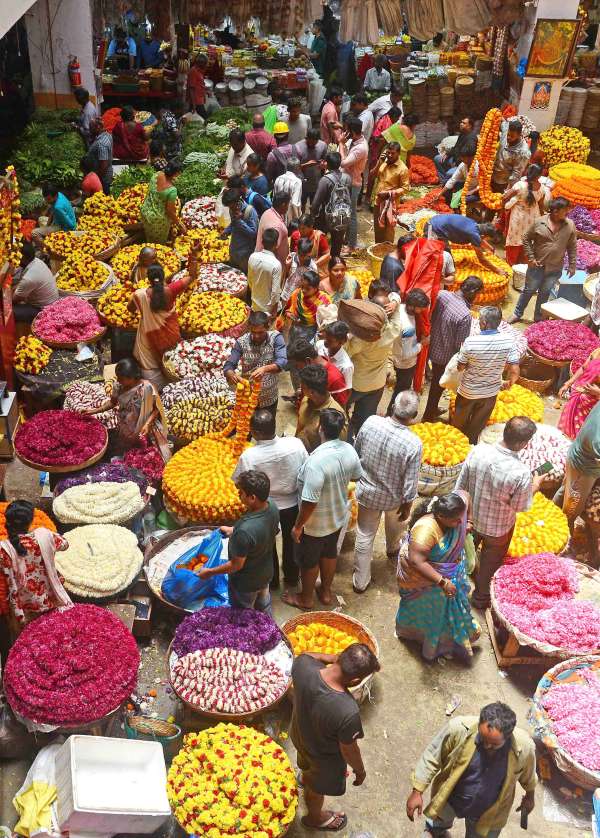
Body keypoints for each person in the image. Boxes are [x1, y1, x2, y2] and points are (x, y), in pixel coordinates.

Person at [407, 702, 536, 837]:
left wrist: (530, 796)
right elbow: (432, 756)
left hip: (488, 811)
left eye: (493, 745)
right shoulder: (458, 729)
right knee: (434, 828)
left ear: (508, 736)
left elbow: (529, 777)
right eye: (482, 738)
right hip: (451, 799)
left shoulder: (525, 748)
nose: (486, 746)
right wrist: (417, 791)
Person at [290, 644, 380, 832]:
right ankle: (314, 817)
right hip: (322, 757)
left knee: (305, 762)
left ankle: (306, 775)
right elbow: (349, 749)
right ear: (355, 680)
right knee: (317, 787)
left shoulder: (302, 665)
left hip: (299, 734)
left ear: (338, 657)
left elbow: (307, 655)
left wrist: (331, 658)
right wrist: (360, 770)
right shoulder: (347, 711)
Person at [456, 417, 536, 610]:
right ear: (523, 444)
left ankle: (456, 588)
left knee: (463, 554)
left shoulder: (478, 451)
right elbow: (520, 506)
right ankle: (480, 599)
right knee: (490, 563)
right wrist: (536, 485)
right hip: (497, 529)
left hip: (470, 520)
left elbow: (461, 486)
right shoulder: (521, 472)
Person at [284, 408, 361, 608]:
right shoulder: (349, 450)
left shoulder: (315, 463)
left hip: (315, 525)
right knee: (329, 555)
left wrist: (298, 526)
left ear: (320, 428)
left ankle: (306, 598)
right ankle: (325, 593)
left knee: (309, 562)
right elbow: (356, 476)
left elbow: (310, 501)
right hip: (337, 517)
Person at [396, 491, 480, 660]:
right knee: (432, 610)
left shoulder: (457, 510)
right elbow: (417, 561)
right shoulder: (425, 531)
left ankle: (449, 639)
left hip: (449, 570)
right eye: (456, 520)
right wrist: (442, 582)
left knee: (447, 608)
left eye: (461, 518)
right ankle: (425, 639)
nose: (459, 523)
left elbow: (466, 495)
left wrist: (468, 520)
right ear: (440, 516)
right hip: (424, 580)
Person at [353, 391, 422, 593]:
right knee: (396, 527)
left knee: (364, 536)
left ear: (392, 406)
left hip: (367, 493)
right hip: (394, 498)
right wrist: (408, 505)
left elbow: (357, 452)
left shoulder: (371, 422)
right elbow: (411, 482)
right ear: (415, 415)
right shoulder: (413, 443)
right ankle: (393, 549)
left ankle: (360, 582)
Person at [233, 410, 307, 590]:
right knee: (292, 542)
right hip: (293, 503)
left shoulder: (250, 456)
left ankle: (272, 580)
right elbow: (307, 470)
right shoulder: (295, 444)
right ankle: (291, 576)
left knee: (266, 545)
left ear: (256, 433)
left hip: (265, 506)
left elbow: (239, 481)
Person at [200, 470, 279, 614]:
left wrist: (210, 572)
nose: (238, 495)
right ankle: (269, 627)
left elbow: (236, 565)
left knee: (243, 615)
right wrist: (233, 530)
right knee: (264, 605)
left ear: (252, 497)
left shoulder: (244, 531)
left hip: (246, 584)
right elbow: (264, 532)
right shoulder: (272, 506)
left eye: (241, 493)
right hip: (265, 574)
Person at [0, 500, 71, 635]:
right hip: (49, 598)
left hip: (25, 606)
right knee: (52, 633)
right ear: (30, 520)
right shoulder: (44, 535)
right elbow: (65, 544)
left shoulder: (4, 549)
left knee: (34, 637)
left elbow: (8, 581)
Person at [452, 306, 521, 444]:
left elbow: (460, 367)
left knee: (459, 422)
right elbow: (514, 369)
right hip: (490, 392)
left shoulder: (471, 342)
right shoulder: (509, 341)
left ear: (483, 323)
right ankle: (471, 444)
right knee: (478, 424)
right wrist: (510, 382)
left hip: (469, 391)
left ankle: (457, 444)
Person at [422, 276, 484, 422]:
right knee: (437, 387)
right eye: (477, 294)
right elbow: (460, 345)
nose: (476, 298)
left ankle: (432, 409)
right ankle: (428, 415)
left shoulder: (442, 295)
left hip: (430, 345)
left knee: (436, 385)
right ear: (472, 292)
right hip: (444, 356)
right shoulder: (464, 315)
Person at [508, 197, 577, 324]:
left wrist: (572, 265)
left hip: (555, 267)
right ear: (555, 211)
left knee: (545, 293)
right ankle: (517, 313)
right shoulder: (539, 223)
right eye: (565, 209)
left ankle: (538, 318)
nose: (567, 211)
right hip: (537, 266)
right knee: (529, 290)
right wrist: (531, 257)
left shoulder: (570, 225)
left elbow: (572, 246)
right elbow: (526, 238)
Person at [129, 260, 194, 389]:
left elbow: (130, 309)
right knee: (173, 365)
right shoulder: (172, 289)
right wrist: (194, 257)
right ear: (163, 276)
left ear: (148, 278)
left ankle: (158, 395)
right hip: (170, 338)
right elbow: (192, 276)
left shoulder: (139, 294)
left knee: (151, 368)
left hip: (148, 340)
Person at [86, 357, 169, 457]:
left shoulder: (147, 388)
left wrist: (147, 424)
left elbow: (157, 409)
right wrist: (94, 411)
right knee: (128, 456)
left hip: (144, 430)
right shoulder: (118, 387)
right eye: (117, 377)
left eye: (121, 378)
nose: (118, 380)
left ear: (132, 377)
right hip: (125, 429)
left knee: (147, 455)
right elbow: (112, 403)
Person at [346, 292, 402, 439]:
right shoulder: (393, 329)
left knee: (343, 414)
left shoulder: (363, 338)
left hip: (356, 384)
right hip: (377, 384)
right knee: (364, 421)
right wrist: (394, 302)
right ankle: (361, 444)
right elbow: (396, 296)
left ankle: (347, 439)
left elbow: (345, 352)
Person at [223, 310, 287, 414]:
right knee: (247, 426)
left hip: (269, 397)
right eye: (253, 332)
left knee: (267, 426)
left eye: (260, 332)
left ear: (268, 327)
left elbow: (282, 361)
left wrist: (265, 369)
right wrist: (230, 373)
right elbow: (229, 364)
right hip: (248, 397)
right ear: (249, 328)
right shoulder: (241, 342)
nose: (256, 336)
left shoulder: (276, 338)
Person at [555, 401, 600, 525]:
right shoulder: (598, 440)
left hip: (577, 456)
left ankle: (552, 512)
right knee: (573, 502)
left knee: (566, 490)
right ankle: (564, 526)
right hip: (583, 468)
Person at [427, 215, 507, 277]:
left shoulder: (474, 224)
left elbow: (479, 239)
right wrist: (497, 270)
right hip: (433, 229)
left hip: (435, 221)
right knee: (446, 258)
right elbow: (482, 259)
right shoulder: (474, 234)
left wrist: (490, 248)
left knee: (447, 257)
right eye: (486, 238)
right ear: (483, 235)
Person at [388, 288, 430, 406]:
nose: (422, 310)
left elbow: (393, 294)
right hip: (405, 364)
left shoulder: (399, 308)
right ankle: (392, 413)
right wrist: (422, 344)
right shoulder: (408, 328)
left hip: (395, 353)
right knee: (400, 392)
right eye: (421, 308)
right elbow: (406, 354)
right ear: (412, 306)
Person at [295, 366, 347, 454]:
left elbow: (334, 452)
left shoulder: (335, 418)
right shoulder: (305, 400)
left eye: (302, 387)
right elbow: (299, 429)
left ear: (312, 392)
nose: (300, 389)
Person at [502, 163, 546, 266]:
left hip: (518, 217)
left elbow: (505, 198)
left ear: (528, 172)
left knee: (514, 239)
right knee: (528, 240)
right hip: (533, 217)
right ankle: (523, 264)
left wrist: (503, 209)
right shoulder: (542, 188)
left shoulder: (520, 185)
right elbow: (541, 206)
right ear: (539, 176)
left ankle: (512, 264)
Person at [311, 151, 352, 258]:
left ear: (327, 164)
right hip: (342, 216)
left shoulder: (325, 180)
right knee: (337, 246)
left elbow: (316, 203)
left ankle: (320, 262)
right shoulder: (347, 178)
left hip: (326, 217)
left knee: (318, 240)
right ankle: (334, 264)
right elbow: (349, 198)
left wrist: (313, 216)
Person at [287, 337, 350, 407]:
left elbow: (338, 412)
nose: (298, 368)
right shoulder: (309, 371)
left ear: (308, 361)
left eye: (297, 365)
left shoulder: (335, 381)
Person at [280, 269, 331, 353]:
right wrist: (289, 314)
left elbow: (327, 322)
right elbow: (288, 308)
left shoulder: (323, 300)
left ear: (316, 288)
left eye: (308, 288)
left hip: (311, 334)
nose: (303, 290)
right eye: (302, 287)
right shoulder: (297, 293)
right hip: (294, 331)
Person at [339, 117, 368, 254]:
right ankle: (348, 239)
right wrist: (344, 144)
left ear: (352, 131)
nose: (345, 132)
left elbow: (344, 163)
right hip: (350, 180)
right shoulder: (356, 141)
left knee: (351, 215)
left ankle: (351, 246)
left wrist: (340, 144)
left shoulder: (360, 148)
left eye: (347, 130)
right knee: (348, 212)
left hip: (353, 183)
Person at [9, 241, 59, 322]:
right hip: (50, 302)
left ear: (23, 258)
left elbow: (13, 300)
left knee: (7, 312)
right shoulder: (36, 261)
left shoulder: (29, 278)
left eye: (16, 256)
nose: (14, 258)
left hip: (43, 311)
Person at [370, 141, 410, 243]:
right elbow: (372, 175)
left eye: (393, 153)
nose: (390, 155)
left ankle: (387, 252)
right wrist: (379, 161)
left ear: (398, 153)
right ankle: (378, 249)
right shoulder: (383, 162)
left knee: (388, 231)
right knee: (378, 228)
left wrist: (389, 193)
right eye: (388, 152)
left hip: (391, 205)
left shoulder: (403, 169)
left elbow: (405, 188)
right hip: (378, 201)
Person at [140, 160, 185, 245]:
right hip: (158, 220)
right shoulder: (172, 190)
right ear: (176, 173)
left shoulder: (156, 175)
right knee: (158, 245)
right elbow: (170, 211)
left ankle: (147, 253)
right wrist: (179, 224)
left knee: (149, 239)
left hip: (146, 214)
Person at [558, 347, 600, 438]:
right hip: (578, 392)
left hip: (593, 403)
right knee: (566, 429)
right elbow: (583, 368)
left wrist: (598, 392)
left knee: (586, 434)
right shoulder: (597, 351)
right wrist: (568, 383)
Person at [221, 187, 258, 273]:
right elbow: (233, 224)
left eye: (231, 205)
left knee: (244, 277)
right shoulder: (231, 209)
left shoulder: (250, 211)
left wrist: (240, 221)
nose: (230, 208)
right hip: (234, 250)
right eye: (228, 206)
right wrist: (226, 231)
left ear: (237, 201)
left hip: (245, 254)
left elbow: (253, 233)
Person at [247, 227, 282, 315]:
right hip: (268, 309)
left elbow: (250, 281)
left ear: (262, 242)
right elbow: (275, 292)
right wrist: (273, 310)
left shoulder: (252, 257)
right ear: (276, 244)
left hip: (254, 304)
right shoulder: (276, 264)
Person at [434, 116, 476, 184]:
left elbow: (470, 152)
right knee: (437, 158)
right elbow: (456, 147)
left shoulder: (471, 138)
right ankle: (444, 182)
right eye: (461, 122)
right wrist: (448, 153)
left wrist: (457, 160)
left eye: (464, 123)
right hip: (454, 160)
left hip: (462, 164)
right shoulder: (463, 134)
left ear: (469, 126)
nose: (461, 124)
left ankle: (448, 183)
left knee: (449, 174)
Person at [31, 183, 76, 248]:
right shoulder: (59, 194)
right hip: (59, 221)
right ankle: (45, 238)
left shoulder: (58, 207)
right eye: (45, 199)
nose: (46, 201)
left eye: (48, 199)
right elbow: (52, 211)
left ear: (54, 196)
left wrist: (59, 237)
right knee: (41, 219)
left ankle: (47, 250)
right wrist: (47, 226)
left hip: (65, 228)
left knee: (34, 233)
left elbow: (70, 225)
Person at [492, 119, 531, 192]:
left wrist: (508, 190)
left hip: (504, 183)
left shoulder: (523, 152)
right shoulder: (506, 129)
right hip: (491, 175)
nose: (508, 137)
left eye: (512, 136)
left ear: (520, 135)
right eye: (508, 134)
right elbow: (503, 122)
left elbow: (516, 173)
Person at [294, 129, 328, 211]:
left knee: (314, 206)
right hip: (301, 183)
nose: (312, 144)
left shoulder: (322, 145)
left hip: (316, 182)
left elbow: (325, 161)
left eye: (315, 142)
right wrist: (306, 165)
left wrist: (323, 165)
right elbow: (294, 168)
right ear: (306, 138)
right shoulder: (298, 147)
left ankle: (312, 222)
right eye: (310, 142)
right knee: (301, 205)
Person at [316, 321, 354, 394]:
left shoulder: (346, 366)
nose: (325, 342)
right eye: (325, 338)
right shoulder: (319, 345)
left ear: (341, 342)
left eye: (330, 340)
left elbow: (346, 391)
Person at [256, 191, 291, 270]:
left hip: (262, 262)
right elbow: (272, 249)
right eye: (288, 204)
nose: (288, 207)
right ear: (283, 204)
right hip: (272, 267)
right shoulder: (277, 225)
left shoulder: (267, 212)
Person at [282, 237, 318, 308]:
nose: (302, 258)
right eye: (300, 255)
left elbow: (311, 286)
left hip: (299, 298)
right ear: (297, 250)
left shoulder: (312, 267)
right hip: (287, 294)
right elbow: (285, 275)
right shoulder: (291, 257)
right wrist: (287, 266)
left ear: (310, 253)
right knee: (284, 313)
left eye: (305, 256)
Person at [87, 117, 114, 194]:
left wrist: (96, 178)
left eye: (91, 128)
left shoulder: (102, 143)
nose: (89, 130)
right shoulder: (107, 135)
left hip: (103, 179)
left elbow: (104, 164)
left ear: (97, 127)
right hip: (103, 176)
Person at [274, 158, 303, 223]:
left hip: (276, 215)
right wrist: (298, 223)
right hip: (289, 219)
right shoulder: (297, 182)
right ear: (297, 168)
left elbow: (275, 198)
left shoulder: (278, 179)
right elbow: (294, 204)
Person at [186, 54, 208, 119]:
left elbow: (199, 84)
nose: (206, 65)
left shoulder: (199, 71)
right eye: (205, 64)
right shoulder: (193, 71)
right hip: (196, 101)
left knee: (194, 118)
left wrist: (206, 91)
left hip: (199, 100)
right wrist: (194, 105)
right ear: (201, 63)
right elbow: (191, 89)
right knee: (204, 118)